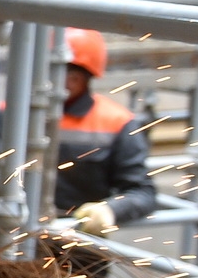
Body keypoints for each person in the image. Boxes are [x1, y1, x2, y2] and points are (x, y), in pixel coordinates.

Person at [56, 28, 156, 234]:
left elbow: (141, 192)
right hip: (11, 238)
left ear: (82, 77)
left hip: (80, 241)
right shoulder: (10, 115)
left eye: (71, 73)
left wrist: (110, 210)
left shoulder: (116, 121)